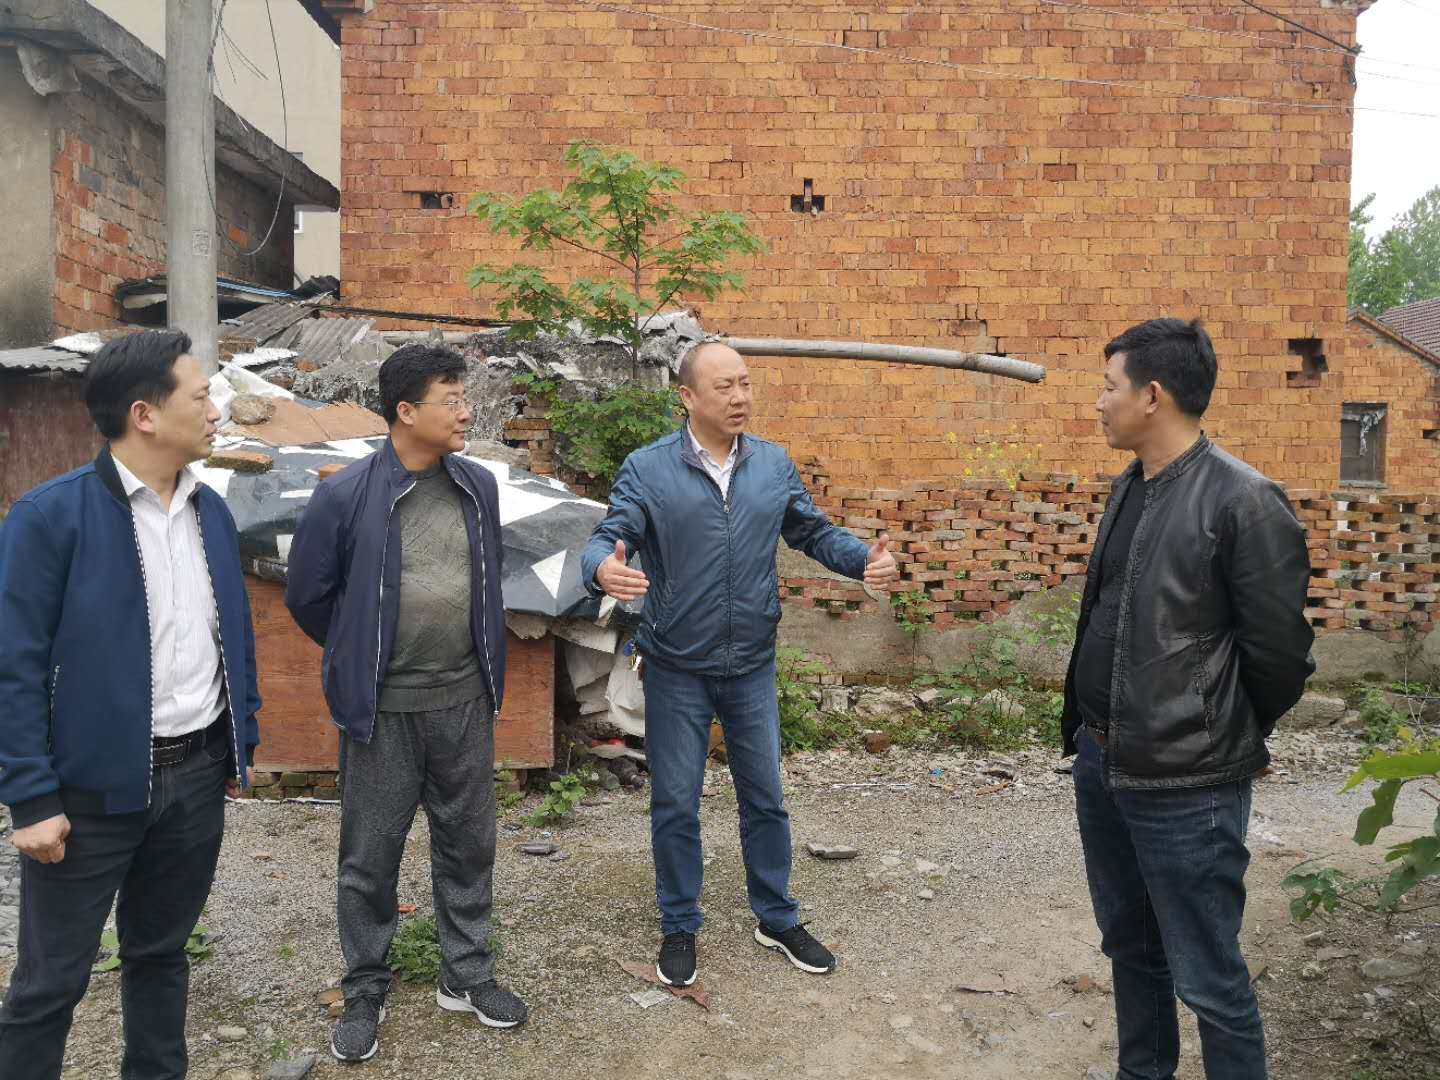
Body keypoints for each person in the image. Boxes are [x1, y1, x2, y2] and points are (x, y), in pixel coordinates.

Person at [581, 340, 900, 988]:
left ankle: (776, 917)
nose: (739, 397)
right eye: (723, 386)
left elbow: (812, 532)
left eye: (745, 384)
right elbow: (607, 537)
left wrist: (861, 559)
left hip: (751, 664)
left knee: (765, 798)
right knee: (676, 803)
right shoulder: (649, 469)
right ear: (688, 397)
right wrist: (602, 570)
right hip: (676, 666)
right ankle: (679, 924)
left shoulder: (771, 465)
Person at [0, 330, 261, 1080]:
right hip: (90, 792)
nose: (215, 410)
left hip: (196, 775)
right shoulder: (50, 517)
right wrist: (30, 796)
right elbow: (13, 665)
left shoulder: (211, 512)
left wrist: (239, 741)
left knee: (160, 954)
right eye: (200, 395)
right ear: (144, 415)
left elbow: (229, 634)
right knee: (50, 982)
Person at [1062, 318, 1314, 1080]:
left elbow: (1280, 657)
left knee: (1209, 976)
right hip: (1103, 761)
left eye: (1108, 387)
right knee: (1131, 948)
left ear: (1152, 395)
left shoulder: (1244, 501)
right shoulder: (1129, 487)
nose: (1098, 403)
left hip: (1188, 783)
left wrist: (1217, 731)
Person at [284, 343, 524, 1064]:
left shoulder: (478, 485)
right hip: (382, 709)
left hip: (463, 700)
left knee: (469, 843)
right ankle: (364, 988)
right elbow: (308, 597)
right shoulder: (346, 495)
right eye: (452, 400)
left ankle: (466, 973)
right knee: (370, 856)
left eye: (463, 397)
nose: (465, 412)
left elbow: (488, 576)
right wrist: (359, 649)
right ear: (407, 411)